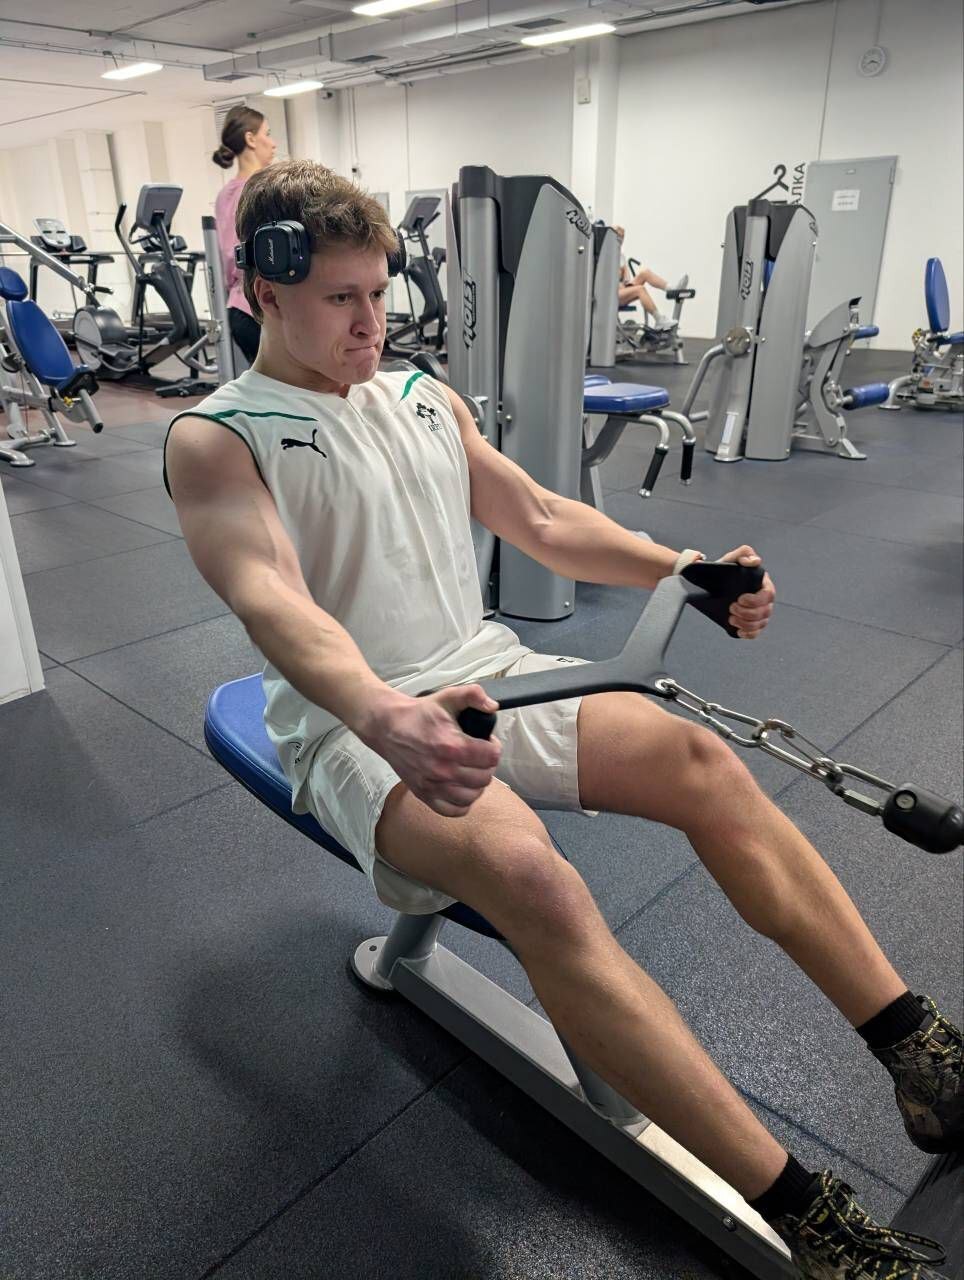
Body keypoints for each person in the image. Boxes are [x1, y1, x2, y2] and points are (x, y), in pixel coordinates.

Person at [165, 160, 960, 1280]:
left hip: (486, 667)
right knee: (535, 879)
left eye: (378, 292)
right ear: (263, 290)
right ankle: (812, 1219)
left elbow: (540, 517)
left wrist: (683, 569)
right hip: (353, 724)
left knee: (698, 760)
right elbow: (273, 602)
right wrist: (384, 714)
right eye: (340, 298)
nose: (370, 322)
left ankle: (918, 1054)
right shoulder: (219, 435)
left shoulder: (421, 396)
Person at [211, 104, 277, 364]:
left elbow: (229, 259)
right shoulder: (260, 189)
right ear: (251, 139)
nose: (273, 143)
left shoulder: (225, 193)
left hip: (240, 308)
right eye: (267, 134)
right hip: (258, 308)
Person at [613, 224, 682, 331]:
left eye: (622, 237)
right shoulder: (607, 255)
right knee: (640, 290)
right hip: (612, 294)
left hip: (622, 289)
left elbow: (626, 278)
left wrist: (625, 274)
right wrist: (621, 277)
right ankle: (659, 320)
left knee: (645, 272)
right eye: (618, 236)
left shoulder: (620, 255)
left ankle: (672, 289)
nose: (621, 240)